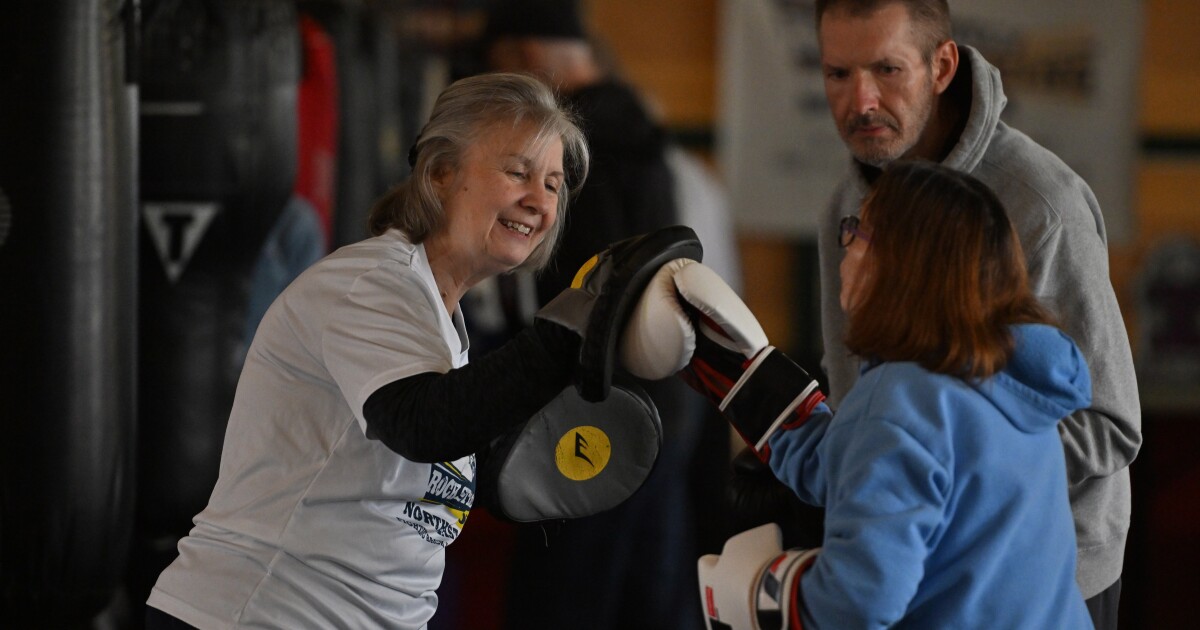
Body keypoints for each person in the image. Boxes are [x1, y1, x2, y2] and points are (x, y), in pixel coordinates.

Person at [143, 72, 605, 629]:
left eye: (554, 185)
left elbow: (421, 476)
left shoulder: (439, 324)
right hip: (255, 613)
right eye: (518, 172)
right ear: (440, 173)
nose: (539, 200)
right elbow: (421, 424)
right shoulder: (373, 283)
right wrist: (566, 332)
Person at [809, 2, 1140, 627]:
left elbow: (1111, 424)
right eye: (837, 74)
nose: (862, 101)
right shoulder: (847, 208)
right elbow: (860, 406)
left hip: (1048, 581)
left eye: (886, 68)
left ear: (942, 65)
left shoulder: (1043, 206)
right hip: (902, 571)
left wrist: (954, 465)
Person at [683, 161, 1094, 628]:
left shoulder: (903, 401)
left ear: (899, 262)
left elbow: (858, 600)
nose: (848, 249)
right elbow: (864, 466)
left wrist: (765, 591)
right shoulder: (1001, 383)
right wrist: (738, 370)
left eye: (859, 232)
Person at [462, 2, 714, 629]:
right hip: (665, 404)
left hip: (596, 417)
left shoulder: (579, 146)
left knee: (559, 605)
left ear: (523, 57)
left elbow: (590, 296)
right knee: (649, 604)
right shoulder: (642, 132)